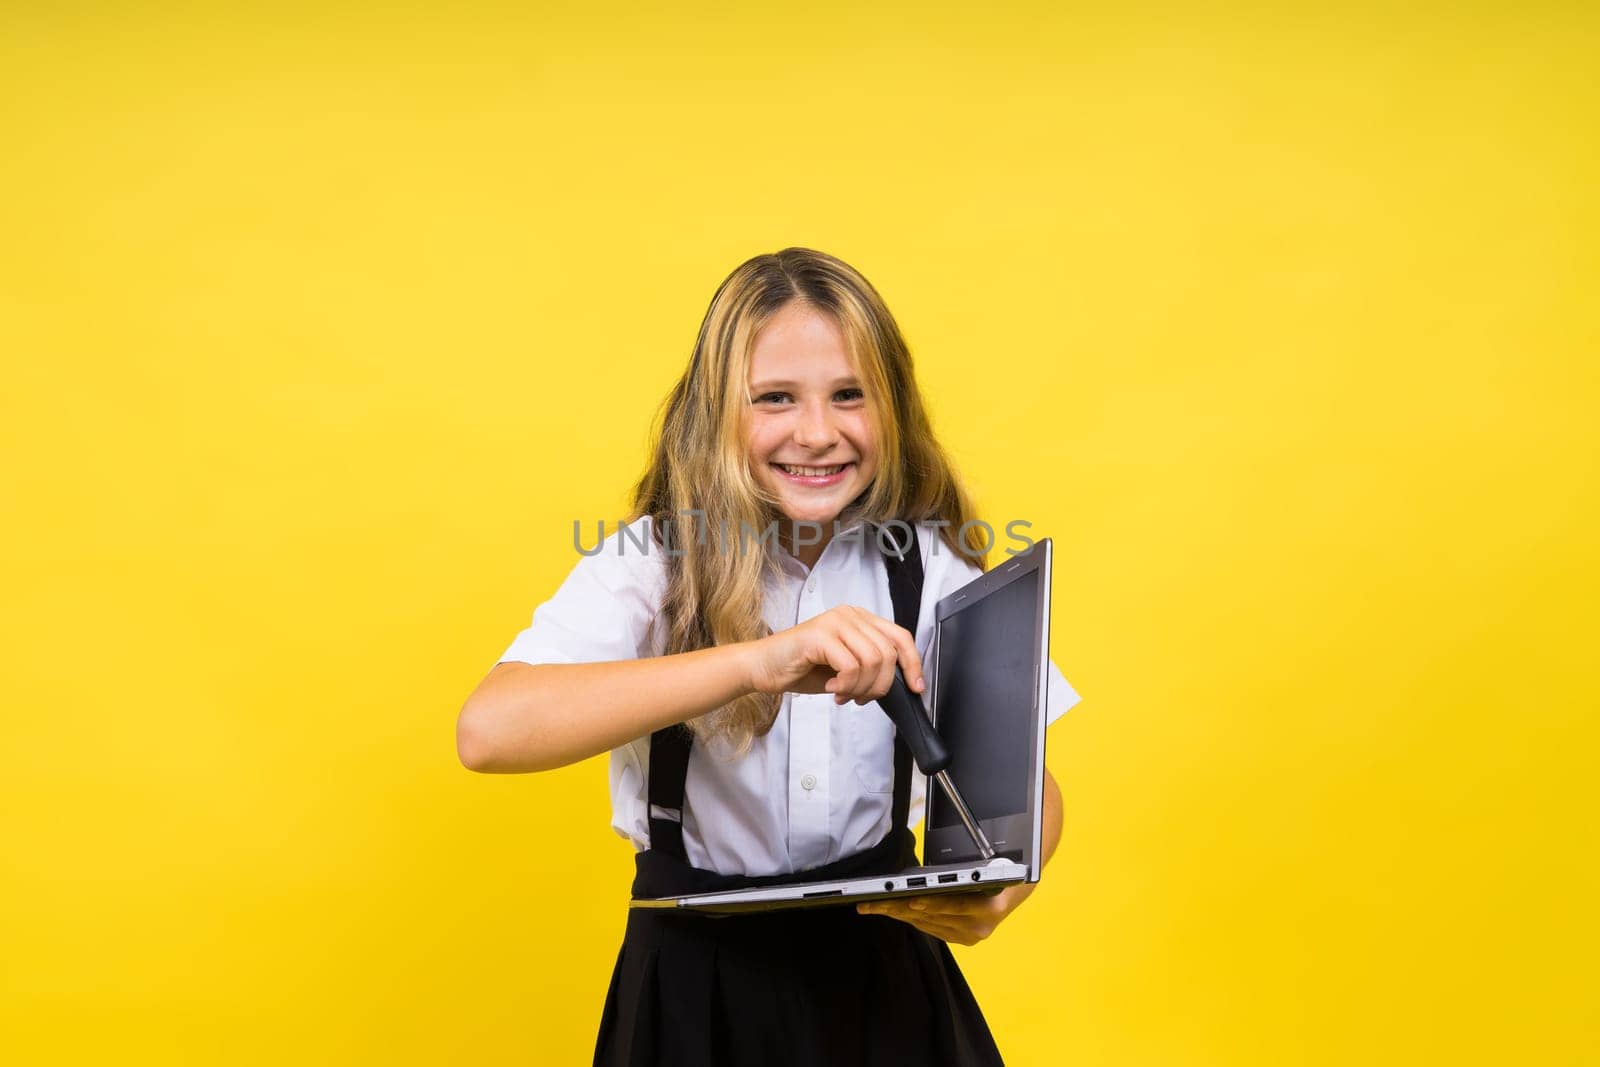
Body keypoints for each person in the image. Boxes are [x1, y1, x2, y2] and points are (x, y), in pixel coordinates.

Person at [456, 247, 1081, 1066]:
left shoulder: (925, 566)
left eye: (849, 395)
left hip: (887, 987)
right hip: (693, 991)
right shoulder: (655, 563)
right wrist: (761, 661)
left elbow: (1030, 786)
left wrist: (1011, 881)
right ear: (717, 411)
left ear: (890, 406)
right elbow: (490, 731)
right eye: (775, 398)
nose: (817, 433)